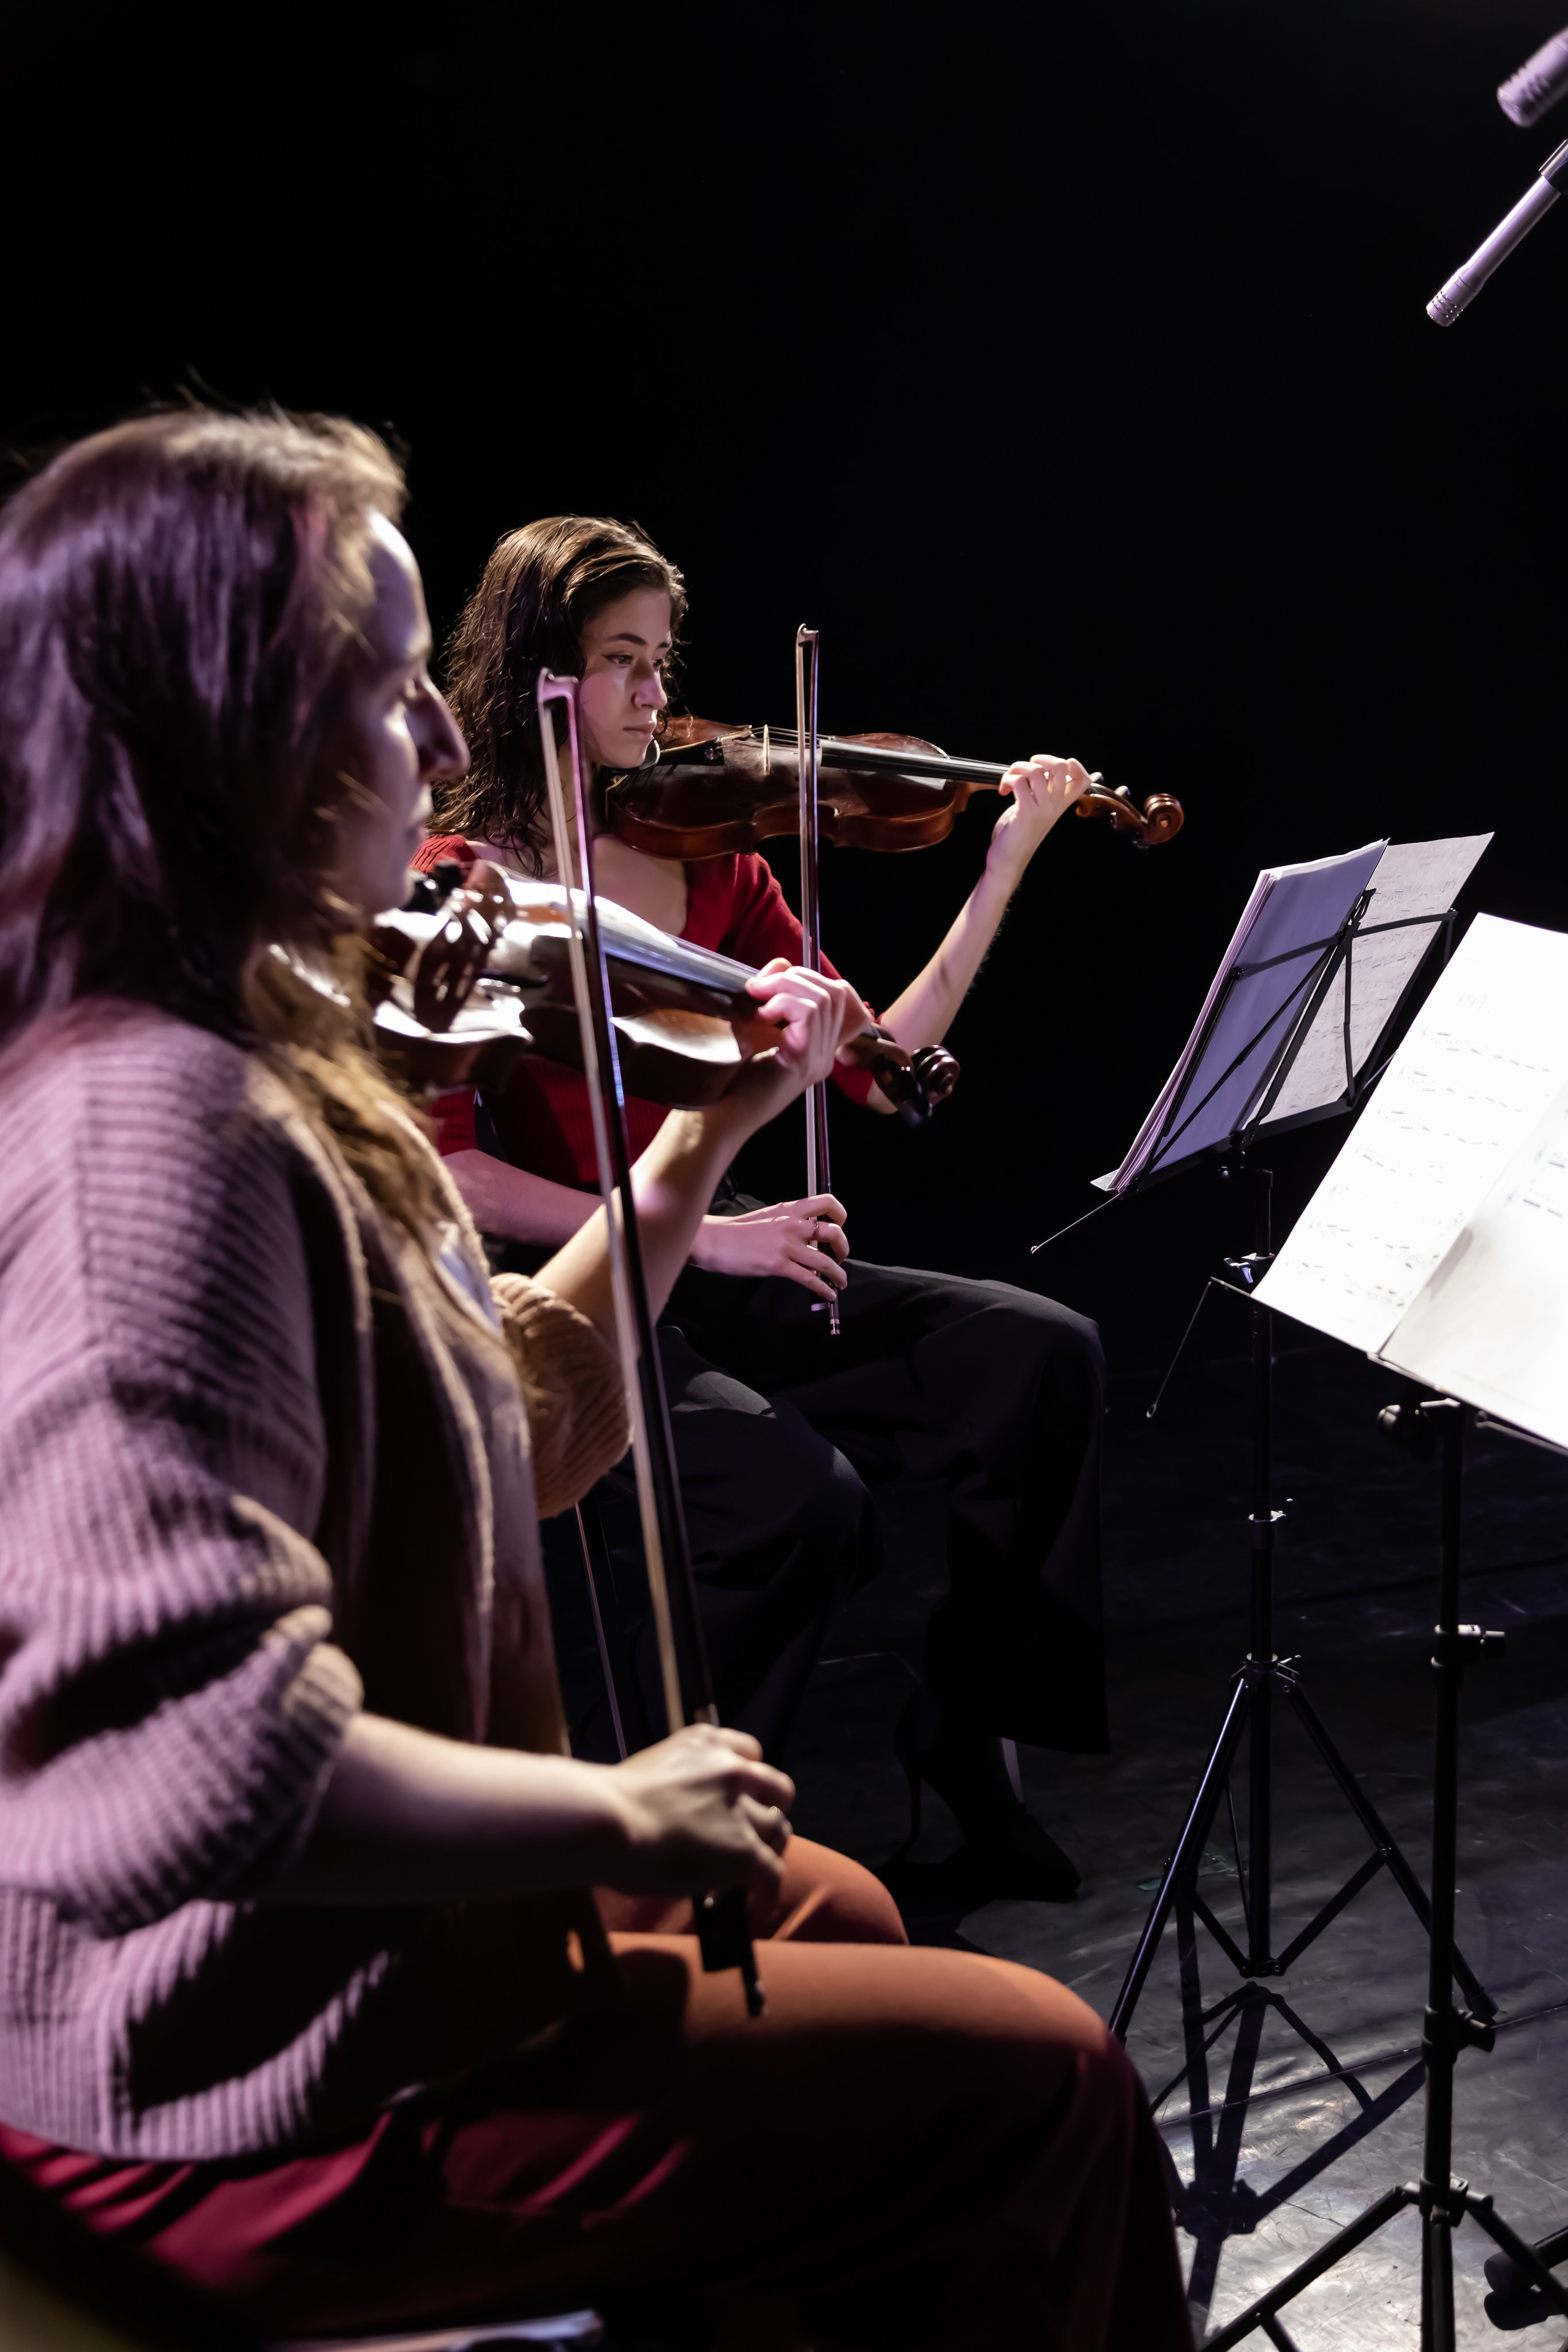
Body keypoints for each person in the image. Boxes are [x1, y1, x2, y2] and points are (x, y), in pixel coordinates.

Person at [0, 409, 1192, 2350]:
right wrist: (613, 1818)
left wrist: (695, 1149)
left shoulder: (289, 1045)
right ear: (217, 728)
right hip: (237, 2080)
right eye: (389, 688)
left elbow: (526, 1424)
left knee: (851, 1918)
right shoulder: (154, 1136)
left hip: (373, 1961)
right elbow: (192, 1770)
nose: (446, 741)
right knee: (1051, 2083)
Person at [420, 515, 1107, 1905]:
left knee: (1036, 1354)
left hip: (714, 1245)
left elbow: (878, 1066)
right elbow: (449, 1172)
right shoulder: (456, 883)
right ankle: (655, 1847)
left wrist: (1003, 867)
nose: (655, 696)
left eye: (660, 660)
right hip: (572, 1282)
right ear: (540, 672)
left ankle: (966, 1748)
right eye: (620, 661)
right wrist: (723, 1233)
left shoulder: (715, 859)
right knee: (802, 1506)